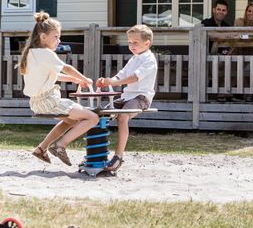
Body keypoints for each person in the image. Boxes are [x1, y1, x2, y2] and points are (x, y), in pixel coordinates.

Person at [20, 11, 99, 166]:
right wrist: (85, 79)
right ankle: (60, 145)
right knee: (93, 118)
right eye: (56, 36)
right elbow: (66, 68)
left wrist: (74, 79)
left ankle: (42, 148)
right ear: (43, 37)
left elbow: (50, 76)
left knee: (70, 121)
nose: (59, 40)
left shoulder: (32, 53)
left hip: (37, 102)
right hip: (49, 101)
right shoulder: (45, 53)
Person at [96, 24, 157, 172]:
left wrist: (116, 83)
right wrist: (108, 80)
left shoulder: (149, 59)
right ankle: (96, 154)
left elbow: (135, 77)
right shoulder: (134, 59)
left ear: (146, 43)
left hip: (141, 97)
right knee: (99, 114)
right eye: (129, 42)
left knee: (123, 117)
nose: (131, 45)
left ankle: (119, 156)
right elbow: (121, 75)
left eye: (135, 42)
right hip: (127, 97)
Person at [234, 2, 253, 102]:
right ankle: (250, 92)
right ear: (246, 11)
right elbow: (238, 37)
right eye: (249, 11)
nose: (251, 13)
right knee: (246, 59)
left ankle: (250, 92)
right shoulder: (239, 21)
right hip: (239, 51)